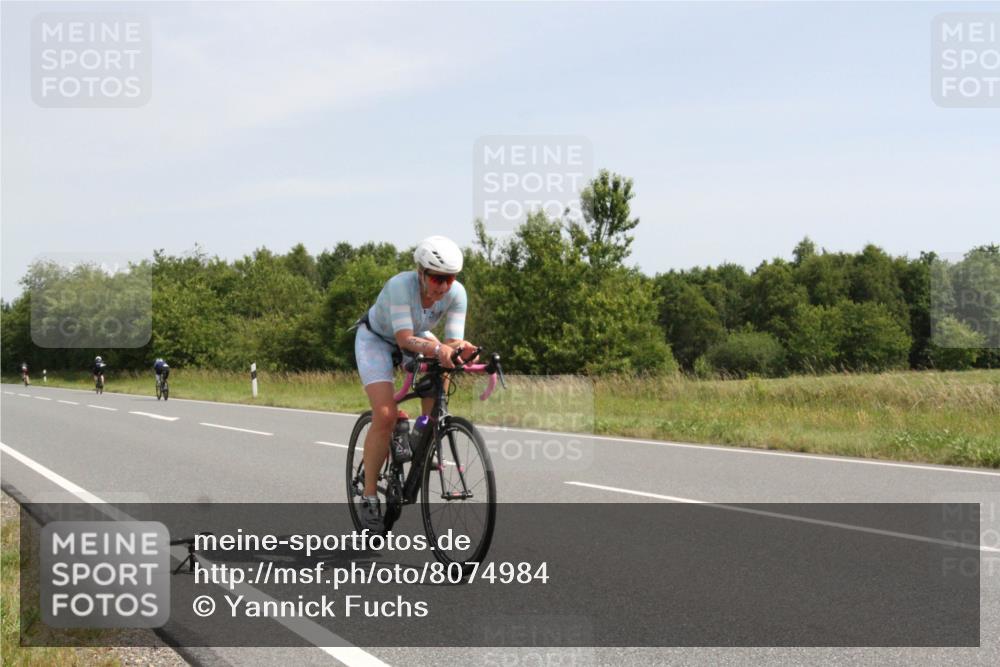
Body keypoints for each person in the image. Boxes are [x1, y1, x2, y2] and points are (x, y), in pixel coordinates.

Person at [353, 236, 478, 533]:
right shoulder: (400, 286)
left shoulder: (457, 293)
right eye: (437, 278)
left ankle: (423, 428)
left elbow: (450, 343)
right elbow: (404, 339)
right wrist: (439, 350)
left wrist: (462, 349)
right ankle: (369, 496)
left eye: (449, 278)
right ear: (421, 272)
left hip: (417, 336)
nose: (444, 286)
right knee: (384, 414)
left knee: (446, 367)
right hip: (377, 340)